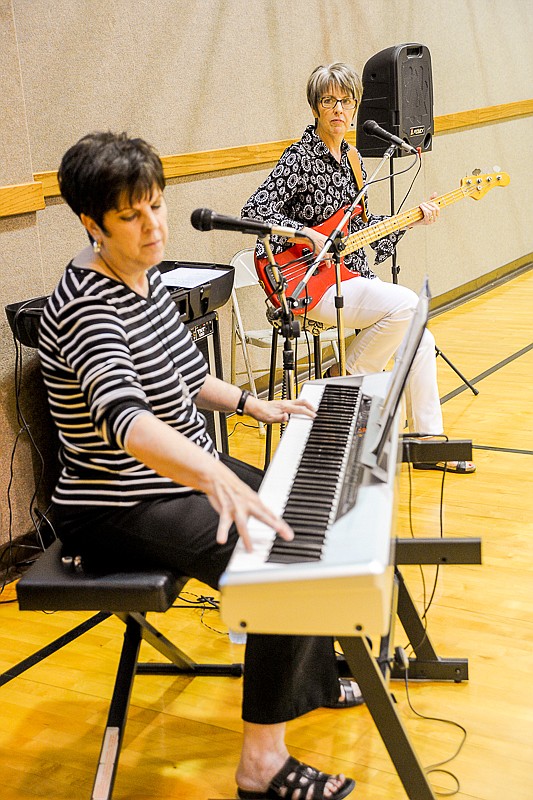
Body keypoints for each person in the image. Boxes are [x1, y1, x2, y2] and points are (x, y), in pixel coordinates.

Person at [38, 131, 356, 800]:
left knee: (304, 509)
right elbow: (128, 421)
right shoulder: (89, 306)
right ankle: (261, 767)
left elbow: (182, 376)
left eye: (155, 205)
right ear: (91, 223)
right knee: (277, 561)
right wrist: (212, 475)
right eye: (131, 215)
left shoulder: (144, 274)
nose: (153, 225)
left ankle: (315, 679)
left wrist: (251, 403)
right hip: (116, 504)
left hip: (176, 475)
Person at [242, 62, 475, 474]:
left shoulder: (352, 159)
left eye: (345, 101)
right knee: (407, 304)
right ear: (316, 107)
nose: (338, 109)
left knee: (419, 333)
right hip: (307, 282)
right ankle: (346, 375)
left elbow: (365, 238)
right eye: (328, 100)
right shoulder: (299, 158)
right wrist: (305, 234)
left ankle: (429, 443)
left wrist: (411, 221)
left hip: (349, 278)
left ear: (355, 107)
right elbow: (253, 212)